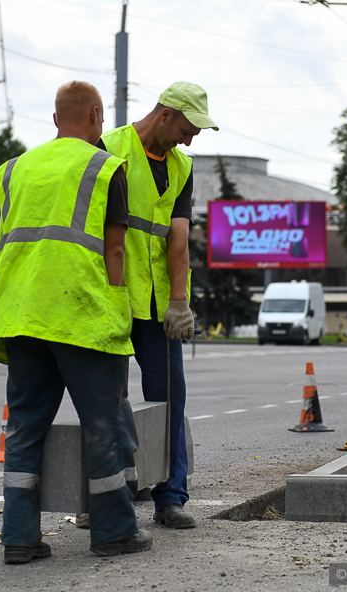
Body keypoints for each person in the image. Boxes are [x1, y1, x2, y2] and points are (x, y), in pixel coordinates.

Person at [0, 81, 151, 564]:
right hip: (81, 316)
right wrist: (121, 313)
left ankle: (19, 539)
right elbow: (113, 251)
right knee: (103, 425)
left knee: (24, 429)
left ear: (54, 120)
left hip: (21, 316)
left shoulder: (12, 171)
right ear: (95, 114)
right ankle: (112, 532)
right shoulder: (106, 167)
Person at [100, 82, 218, 529]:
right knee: (108, 400)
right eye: (189, 128)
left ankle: (171, 497)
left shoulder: (182, 166)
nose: (192, 139)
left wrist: (179, 302)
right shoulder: (109, 148)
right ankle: (113, 494)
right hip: (112, 296)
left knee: (170, 398)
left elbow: (179, 238)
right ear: (165, 114)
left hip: (157, 305)